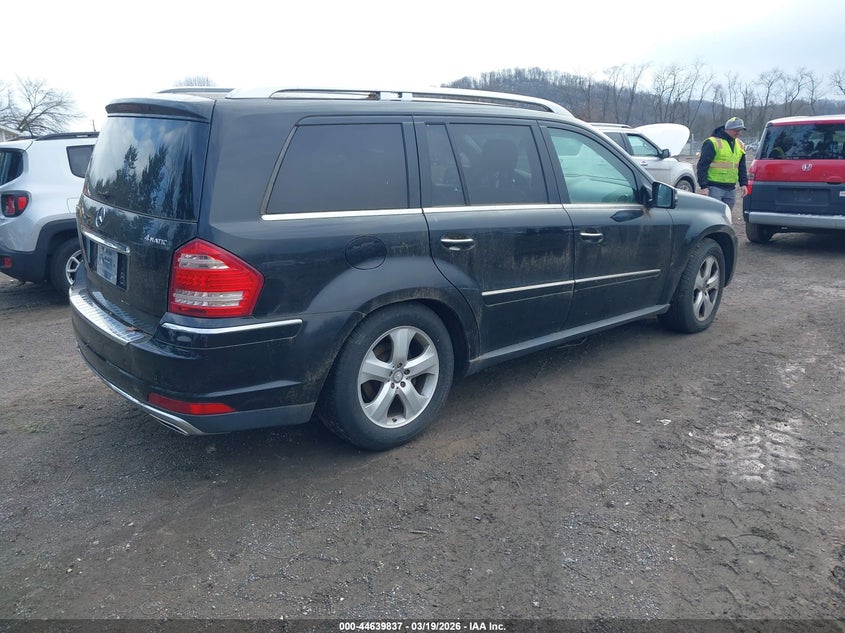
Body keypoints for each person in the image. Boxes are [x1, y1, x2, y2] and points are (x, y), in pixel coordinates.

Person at [696, 117, 748, 207]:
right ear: (728, 129)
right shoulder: (712, 142)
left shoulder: (740, 144)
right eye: (736, 130)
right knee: (714, 216)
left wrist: (743, 184)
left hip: (731, 188)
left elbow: (741, 166)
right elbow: (702, 166)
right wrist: (704, 186)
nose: (738, 132)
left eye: (740, 130)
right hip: (714, 187)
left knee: (726, 216)